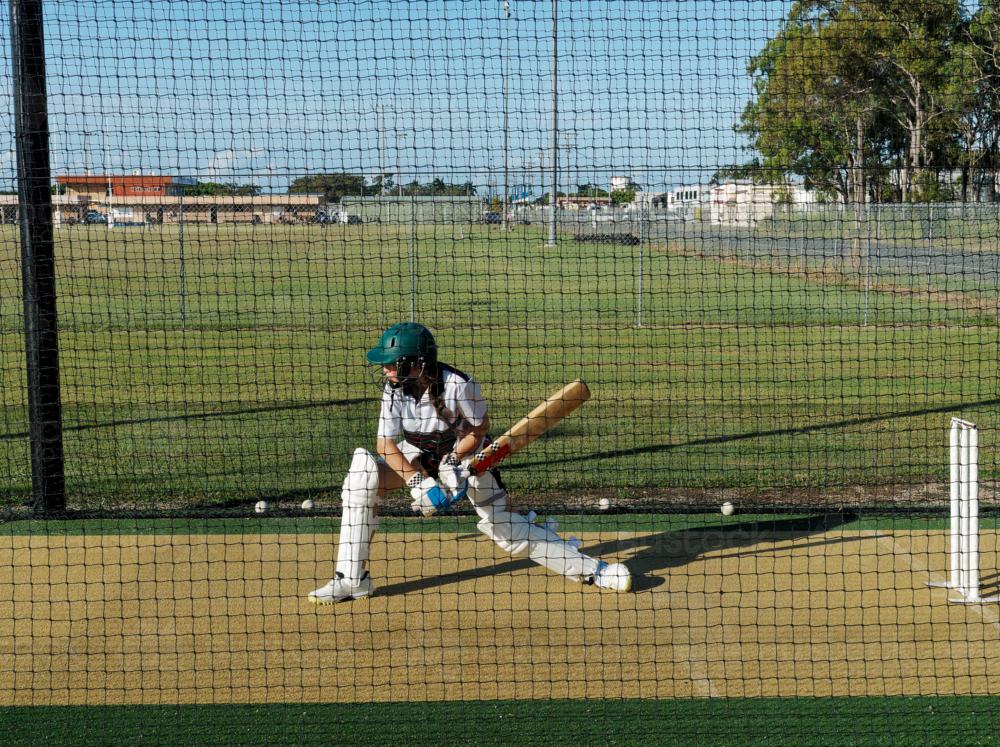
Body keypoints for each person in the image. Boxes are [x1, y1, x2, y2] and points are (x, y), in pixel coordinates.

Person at [308, 322, 632, 604]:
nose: (386, 371)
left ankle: (597, 572)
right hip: (417, 453)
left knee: (506, 529)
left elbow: (479, 428)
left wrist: (454, 463)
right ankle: (352, 580)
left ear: (418, 364)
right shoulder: (395, 390)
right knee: (361, 479)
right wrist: (418, 483)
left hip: (466, 455)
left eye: (393, 364)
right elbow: (384, 444)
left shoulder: (457, 384)